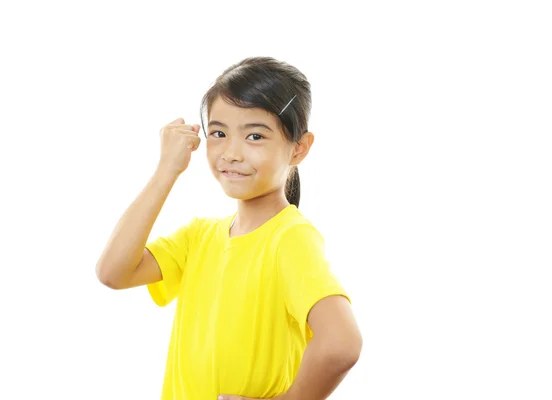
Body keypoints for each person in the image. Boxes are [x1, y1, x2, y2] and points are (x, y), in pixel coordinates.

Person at [95, 56, 363, 400]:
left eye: (254, 136)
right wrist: (167, 170)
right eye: (219, 133)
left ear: (299, 148)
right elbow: (112, 272)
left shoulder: (289, 238)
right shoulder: (198, 237)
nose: (231, 153)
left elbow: (341, 344)